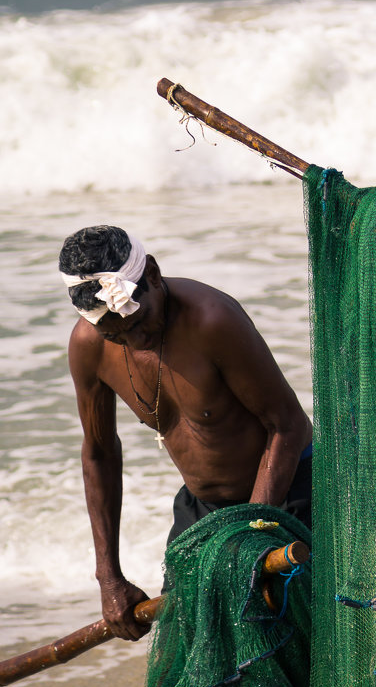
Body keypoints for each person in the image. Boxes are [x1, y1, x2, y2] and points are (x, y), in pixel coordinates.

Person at [59, 225, 313, 642]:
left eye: (138, 322)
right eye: (115, 335)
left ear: (154, 275)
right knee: (193, 659)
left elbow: (287, 425)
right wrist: (109, 577)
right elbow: (99, 454)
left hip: (289, 495)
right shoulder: (88, 346)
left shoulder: (211, 319)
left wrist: (248, 534)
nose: (134, 340)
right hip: (203, 511)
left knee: (288, 655)